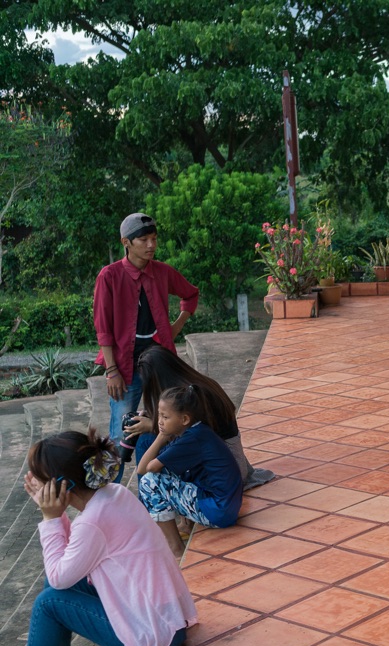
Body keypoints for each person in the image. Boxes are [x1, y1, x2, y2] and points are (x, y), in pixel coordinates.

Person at [0, 430, 194, 646]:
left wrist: (51, 518)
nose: (36, 486)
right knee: (56, 581)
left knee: (49, 601)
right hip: (167, 619)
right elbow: (63, 570)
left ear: (60, 486)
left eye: (40, 479)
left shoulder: (92, 524)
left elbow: (59, 574)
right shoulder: (114, 495)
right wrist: (58, 516)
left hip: (154, 634)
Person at [93, 213, 199, 466]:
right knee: (120, 434)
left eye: (154, 239)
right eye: (143, 239)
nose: (151, 245)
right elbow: (103, 328)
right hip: (123, 367)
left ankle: (163, 485)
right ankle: (114, 494)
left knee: (170, 423)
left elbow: (190, 294)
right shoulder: (109, 277)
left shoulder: (162, 272)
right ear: (126, 242)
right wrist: (111, 370)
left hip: (160, 364)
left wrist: (176, 326)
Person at [126, 345, 273, 488]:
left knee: (147, 440)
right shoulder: (195, 386)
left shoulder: (193, 399)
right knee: (152, 441)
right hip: (229, 461)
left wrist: (151, 426)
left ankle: (148, 500)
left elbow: (189, 438)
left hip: (223, 473)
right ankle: (149, 499)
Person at [137, 385, 244, 558]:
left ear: (185, 419)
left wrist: (161, 437)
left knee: (149, 483)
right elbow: (145, 467)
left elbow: (146, 469)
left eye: (165, 417)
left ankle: (176, 549)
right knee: (165, 472)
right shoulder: (196, 432)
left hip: (217, 511)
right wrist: (164, 435)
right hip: (223, 507)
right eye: (159, 416)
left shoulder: (192, 438)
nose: (160, 422)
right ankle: (184, 525)